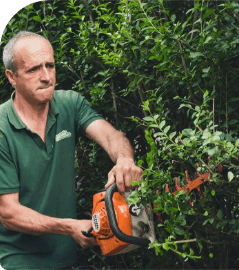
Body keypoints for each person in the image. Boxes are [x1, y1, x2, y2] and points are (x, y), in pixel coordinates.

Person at [0, 31, 143, 269]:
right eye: (34, 69)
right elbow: (8, 213)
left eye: (50, 65)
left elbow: (111, 137)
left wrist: (125, 160)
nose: (46, 77)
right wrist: (69, 227)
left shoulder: (70, 104)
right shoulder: (2, 128)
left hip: (65, 259)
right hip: (15, 261)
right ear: (11, 77)